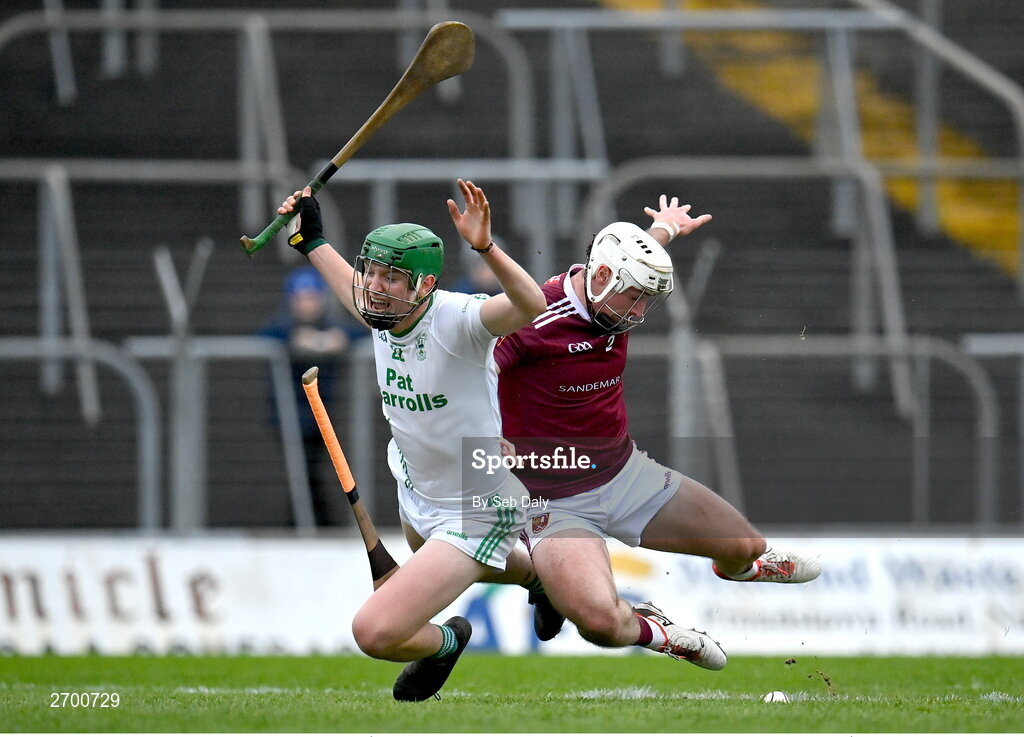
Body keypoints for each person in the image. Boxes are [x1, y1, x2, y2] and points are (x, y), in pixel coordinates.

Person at [493, 196, 821, 669]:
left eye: (649, 299)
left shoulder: (615, 281)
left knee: (745, 546)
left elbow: (638, 251)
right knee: (600, 623)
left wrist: (665, 229)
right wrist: (485, 429)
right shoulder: (531, 315)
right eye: (637, 297)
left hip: (626, 475)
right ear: (602, 277)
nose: (641, 312)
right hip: (554, 501)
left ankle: (744, 568)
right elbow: (476, 367)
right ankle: (659, 631)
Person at [277, 179, 551, 701]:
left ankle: (446, 642)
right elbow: (357, 297)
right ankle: (542, 582)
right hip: (418, 486)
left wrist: (485, 247)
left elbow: (530, 303)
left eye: (391, 277)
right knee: (436, 550)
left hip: (476, 503)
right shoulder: (385, 314)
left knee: (375, 632)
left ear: (423, 285)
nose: (375, 285)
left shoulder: (459, 319)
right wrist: (310, 242)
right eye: (372, 271)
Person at [258, 265, 365, 527]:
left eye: (312, 298)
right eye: (301, 299)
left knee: (316, 470)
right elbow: (263, 336)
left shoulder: (330, 326)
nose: (307, 305)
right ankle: (308, 521)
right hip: (291, 413)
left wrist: (339, 339)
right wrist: (293, 340)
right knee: (303, 471)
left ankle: (313, 520)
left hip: (323, 413)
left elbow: (359, 331)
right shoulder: (282, 326)